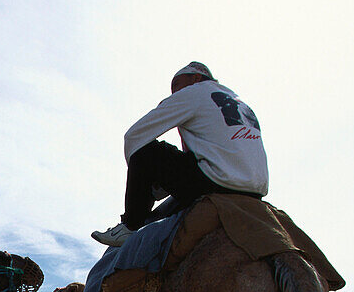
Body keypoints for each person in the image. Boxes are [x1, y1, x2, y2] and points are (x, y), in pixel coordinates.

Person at [92, 61, 268, 247]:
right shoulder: (238, 101)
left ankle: (129, 226)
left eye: (176, 85)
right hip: (256, 191)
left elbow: (134, 136)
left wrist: (144, 183)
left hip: (217, 182)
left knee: (144, 148)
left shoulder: (194, 92)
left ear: (196, 78)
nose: (174, 92)